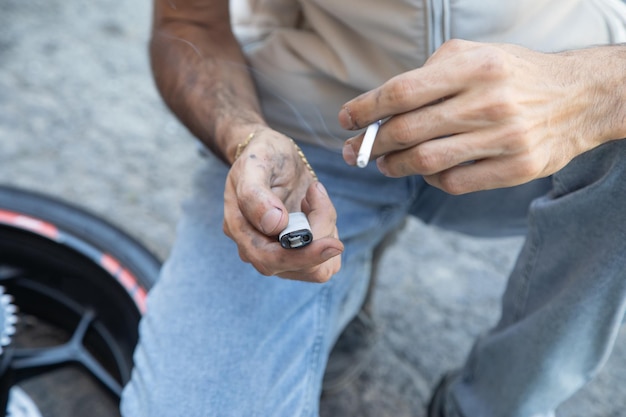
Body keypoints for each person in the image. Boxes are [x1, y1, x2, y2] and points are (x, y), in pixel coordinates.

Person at [121, 0, 626, 416]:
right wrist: (242, 135)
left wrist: (594, 90)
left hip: (556, 124)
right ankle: (343, 276)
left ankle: (496, 404)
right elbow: (187, 23)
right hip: (313, 136)